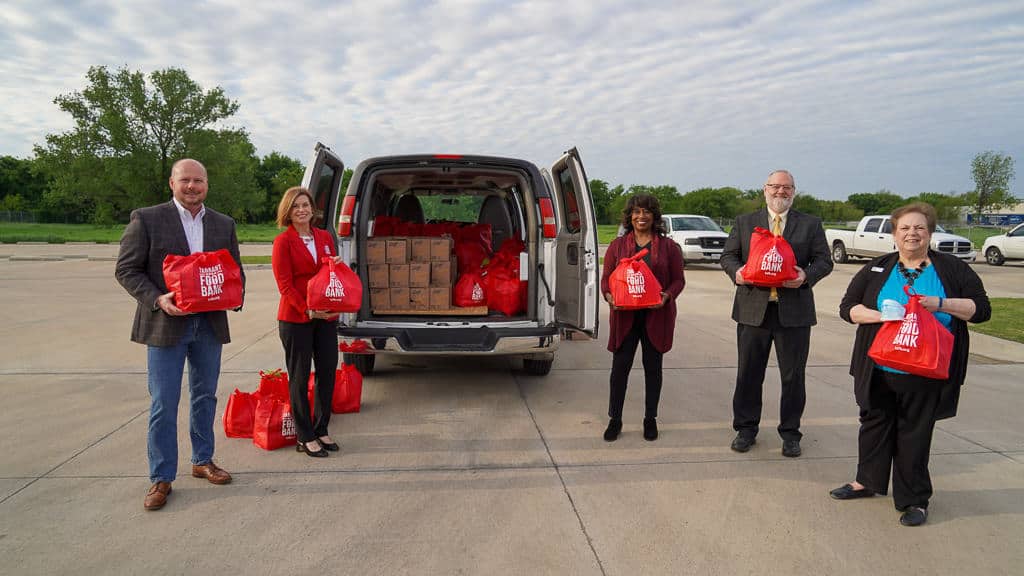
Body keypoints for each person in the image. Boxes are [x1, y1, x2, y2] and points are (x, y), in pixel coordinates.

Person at [830, 202, 990, 527]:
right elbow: (848, 308)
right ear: (894, 234)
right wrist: (880, 316)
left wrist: (940, 304)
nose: (912, 233)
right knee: (874, 424)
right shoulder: (878, 267)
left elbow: (982, 309)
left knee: (914, 434)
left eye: (919, 227)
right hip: (879, 366)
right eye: (905, 228)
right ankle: (867, 482)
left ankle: (914, 500)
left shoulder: (952, 269)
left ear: (929, 232)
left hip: (926, 369)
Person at [115, 158, 244, 511]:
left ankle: (203, 460)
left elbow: (234, 269)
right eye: (185, 180)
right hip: (166, 324)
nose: (192, 187)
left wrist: (235, 296)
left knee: (205, 397)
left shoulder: (222, 223)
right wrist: (157, 299)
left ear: (207, 185)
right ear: (172, 183)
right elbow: (126, 270)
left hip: (209, 326)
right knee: (163, 403)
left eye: (198, 181)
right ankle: (161, 477)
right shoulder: (147, 218)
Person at [720, 170, 833, 457]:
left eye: (787, 187)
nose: (781, 192)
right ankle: (745, 430)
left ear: (794, 191)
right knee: (748, 374)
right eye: (775, 186)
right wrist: (738, 273)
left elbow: (824, 260)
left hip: (794, 313)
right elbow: (728, 256)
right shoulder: (745, 222)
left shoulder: (810, 224)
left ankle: (791, 433)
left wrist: (806, 275)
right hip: (752, 311)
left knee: (793, 377)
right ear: (765, 189)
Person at [600, 193, 685, 442]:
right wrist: (608, 295)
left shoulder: (669, 247)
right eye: (636, 211)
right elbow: (606, 278)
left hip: (655, 316)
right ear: (630, 216)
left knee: (653, 370)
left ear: (654, 216)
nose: (641, 216)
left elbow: (679, 279)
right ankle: (615, 419)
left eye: (646, 212)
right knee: (619, 370)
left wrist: (667, 296)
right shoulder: (617, 246)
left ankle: (650, 419)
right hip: (625, 317)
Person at [272, 186, 342, 458]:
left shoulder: (324, 237)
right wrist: (307, 310)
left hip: (326, 317)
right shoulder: (283, 242)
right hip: (296, 318)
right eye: (295, 206)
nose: (301, 210)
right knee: (299, 377)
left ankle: (321, 428)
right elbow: (285, 286)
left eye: (305, 205)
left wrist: (334, 264)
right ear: (287, 212)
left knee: (327, 372)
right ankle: (305, 435)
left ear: (313, 209)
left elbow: (328, 276)